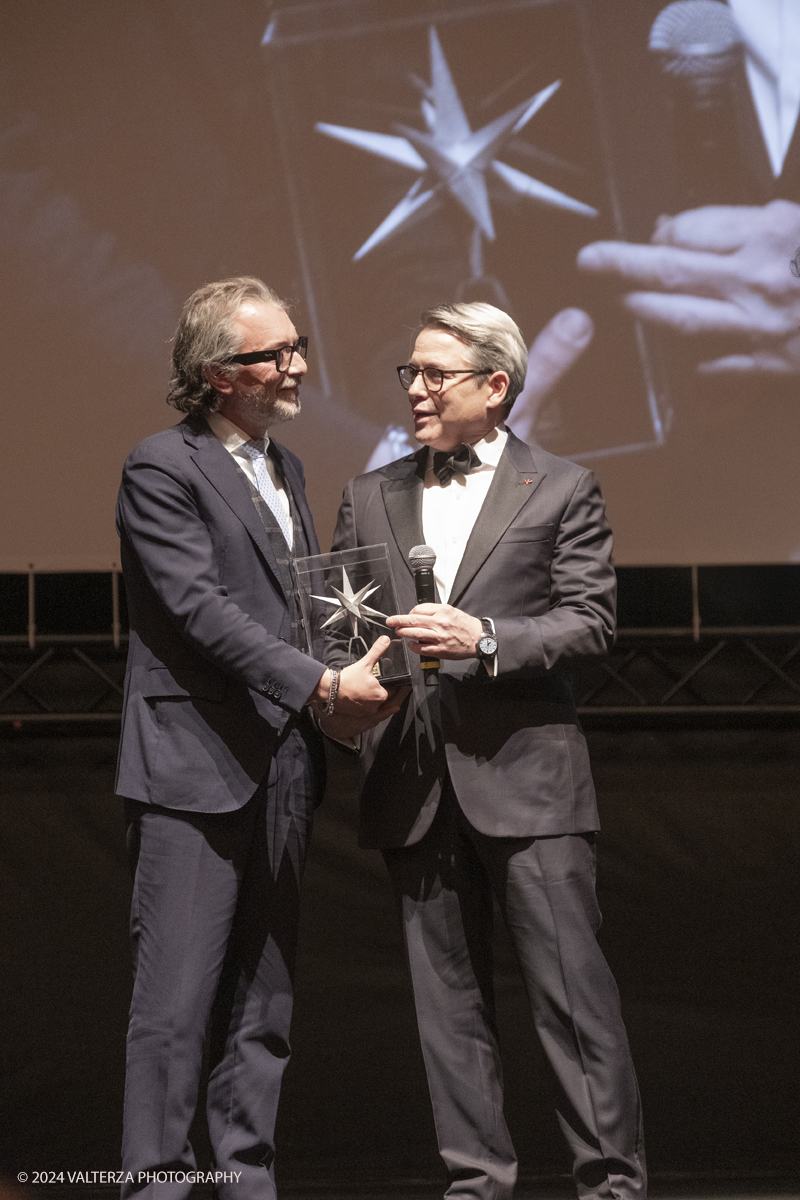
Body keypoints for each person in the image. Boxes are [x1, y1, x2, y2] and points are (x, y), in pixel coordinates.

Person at [324, 302, 646, 1200]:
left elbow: (590, 622)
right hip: (413, 784)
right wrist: (339, 698)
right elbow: (344, 638)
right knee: (448, 1013)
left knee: (574, 1008)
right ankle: (476, 1186)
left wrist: (488, 638)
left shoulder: (563, 486)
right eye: (411, 374)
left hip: (529, 783)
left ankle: (613, 1187)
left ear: (495, 386)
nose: (417, 390)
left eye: (436, 374)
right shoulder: (368, 494)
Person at [115, 277, 401, 1199]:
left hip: (283, 758)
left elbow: (299, 608)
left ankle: (246, 1184)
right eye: (272, 354)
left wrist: (354, 675)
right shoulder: (162, 465)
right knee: (174, 1010)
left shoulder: (287, 467)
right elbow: (199, 607)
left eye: (296, 346)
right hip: (193, 768)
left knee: (264, 1005)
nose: (297, 367)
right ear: (213, 373)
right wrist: (321, 682)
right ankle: (157, 1186)